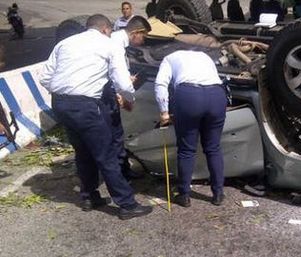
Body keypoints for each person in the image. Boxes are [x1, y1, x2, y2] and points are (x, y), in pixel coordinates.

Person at [39, 14, 152, 220]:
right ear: (106, 29)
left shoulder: (65, 43)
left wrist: (65, 92)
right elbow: (123, 82)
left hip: (60, 104)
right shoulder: (108, 45)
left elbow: (44, 77)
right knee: (106, 154)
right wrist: (129, 98)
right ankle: (127, 204)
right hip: (86, 105)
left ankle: (90, 196)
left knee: (83, 151)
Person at [155, 50, 227, 207]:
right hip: (217, 95)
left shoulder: (168, 58)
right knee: (213, 147)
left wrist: (164, 111)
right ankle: (218, 193)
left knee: (187, 150)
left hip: (189, 96)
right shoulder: (204, 55)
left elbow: (160, 84)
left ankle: (184, 195)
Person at [105, 15, 152, 181]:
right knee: (113, 136)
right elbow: (121, 83)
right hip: (104, 97)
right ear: (136, 33)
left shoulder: (115, 40)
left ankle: (122, 170)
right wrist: (128, 99)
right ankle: (119, 175)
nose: (143, 41)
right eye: (143, 37)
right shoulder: (116, 45)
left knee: (115, 135)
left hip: (104, 93)